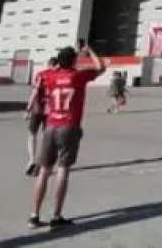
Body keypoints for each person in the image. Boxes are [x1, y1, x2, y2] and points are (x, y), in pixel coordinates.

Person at [29, 45, 105, 230]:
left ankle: (34, 215)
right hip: (69, 126)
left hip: (51, 125)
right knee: (62, 170)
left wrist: (59, 64)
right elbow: (100, 67)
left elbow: (45, 73)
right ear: (74, 61)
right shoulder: (77, 76)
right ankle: (56, 215)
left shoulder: (49, 76)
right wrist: (89, 51)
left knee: (44, 171)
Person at [24, 57, 58, 176]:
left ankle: (32, 160)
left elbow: (34, 93)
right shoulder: (59, 76)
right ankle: (43, 163)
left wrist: (28, 109)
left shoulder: (41, 75)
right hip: (52, 111)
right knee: (46, 138)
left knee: (32, 134)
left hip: (38, 109)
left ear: (48, 64)